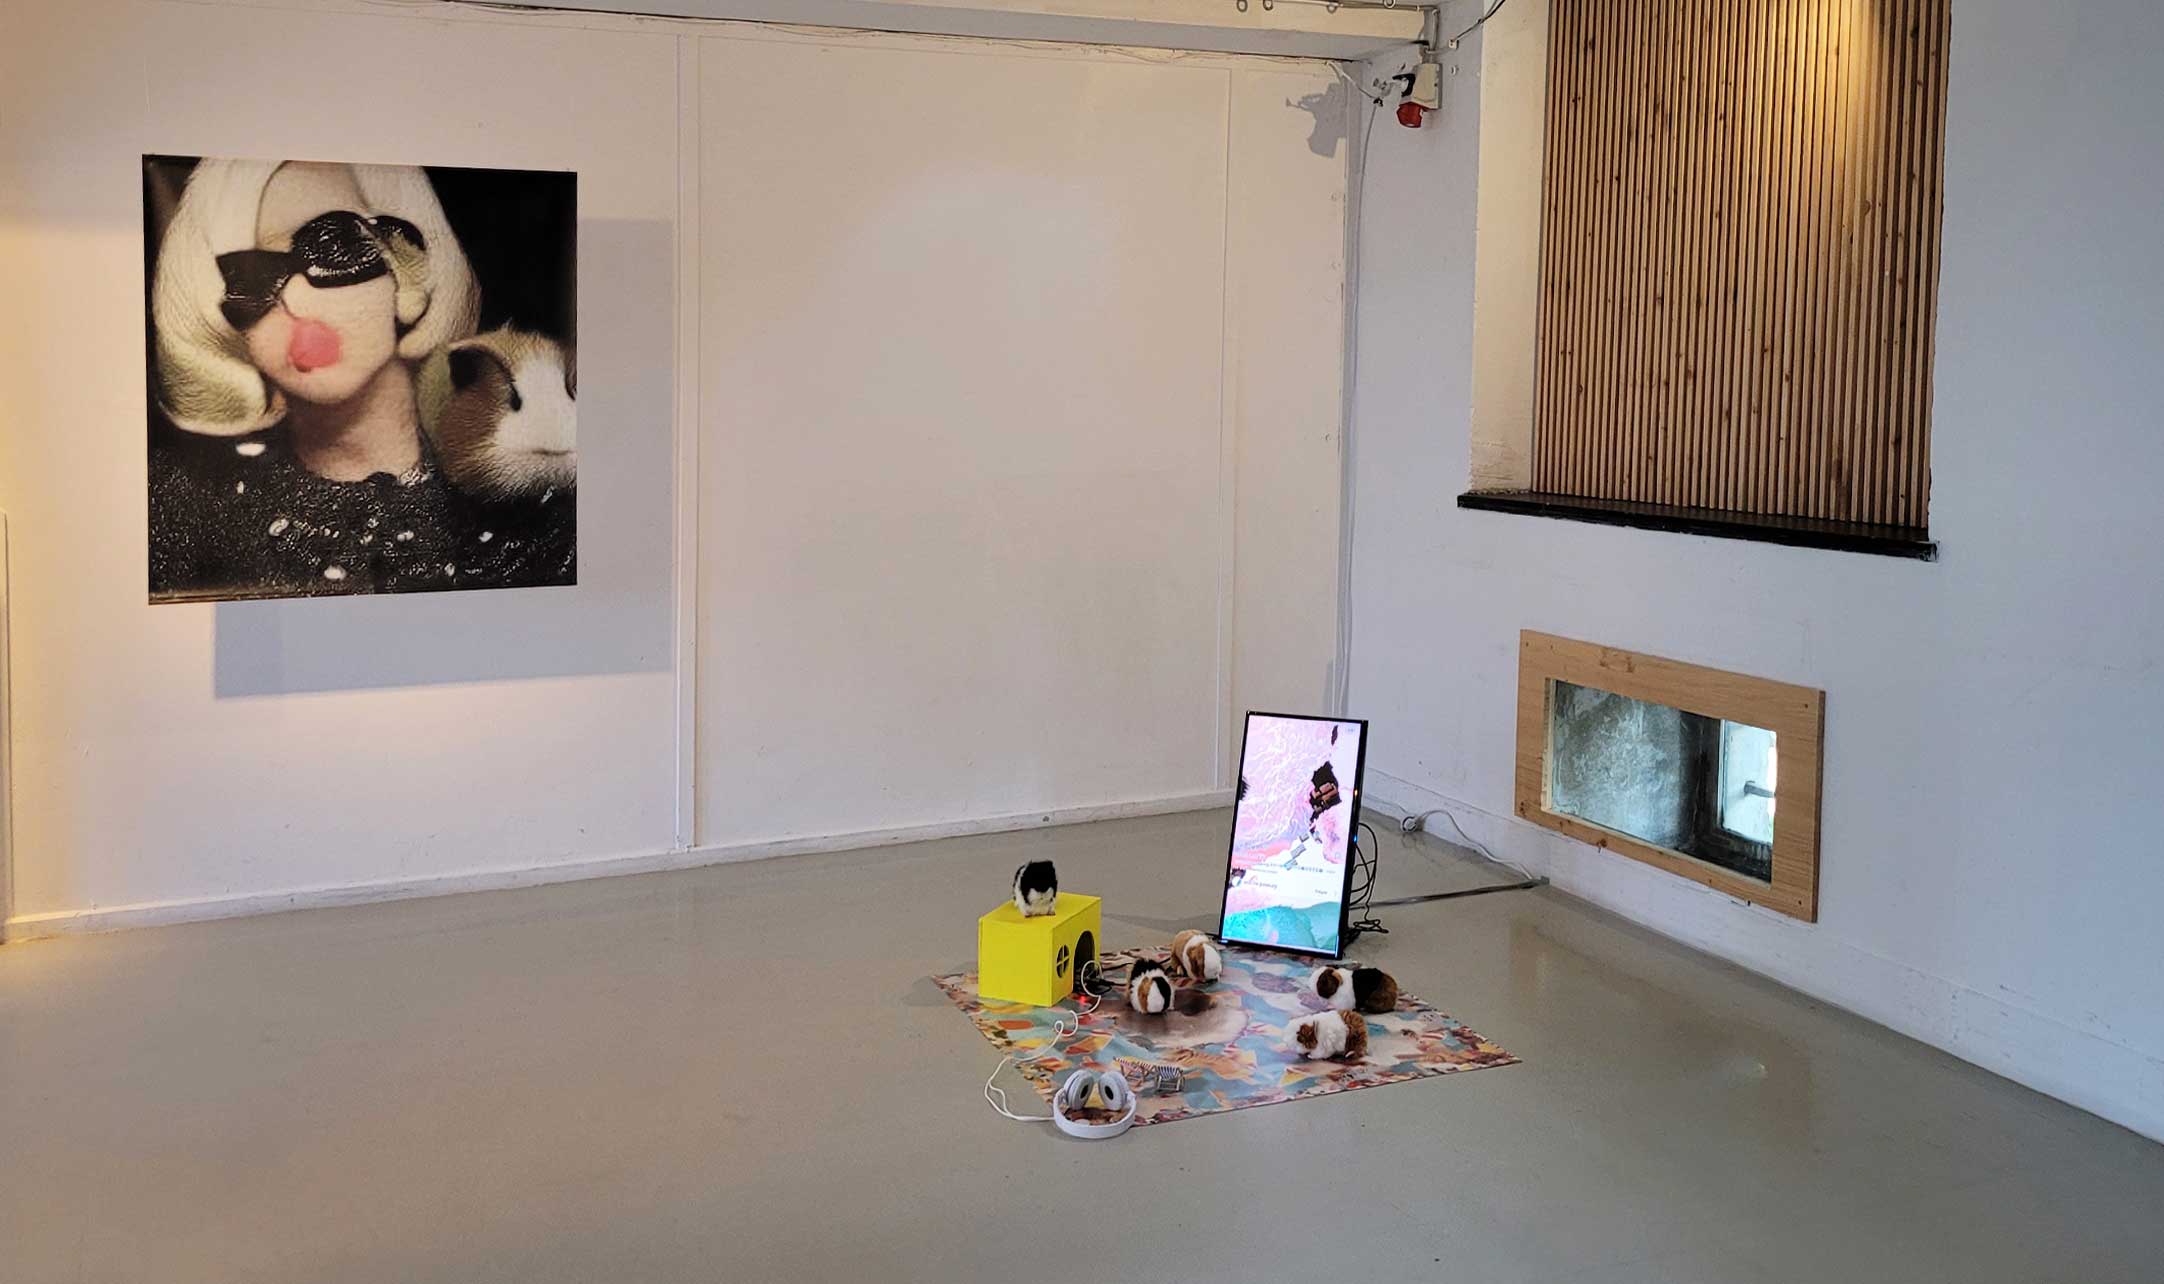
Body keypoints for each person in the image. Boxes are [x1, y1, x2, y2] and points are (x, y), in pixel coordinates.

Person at [146, 159, 572, 600]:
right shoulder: (189, 511)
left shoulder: (539, 490)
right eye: (249, 278)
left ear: (408, 263)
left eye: (334, 247)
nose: (296, 302)